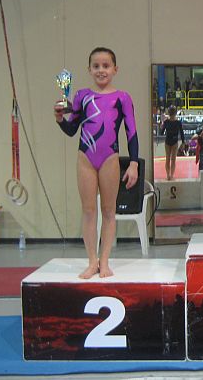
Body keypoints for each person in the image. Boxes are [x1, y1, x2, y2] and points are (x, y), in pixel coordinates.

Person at [54, 47, 138, 279]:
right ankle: (92, 261)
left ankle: (105, 261)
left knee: (109, 211)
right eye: (96, 66)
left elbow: (131, 132)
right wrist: (60, 119)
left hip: (110, 158)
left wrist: (133, 163)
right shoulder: (81, 96)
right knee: (89, 211)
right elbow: (72, 129)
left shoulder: (123, 98)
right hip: (86, 158)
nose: (101, 70)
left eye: (106, 66)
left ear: (115, 69)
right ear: (89, 69)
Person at [160, 105, 185, 180]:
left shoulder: (172, 122)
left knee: (170, 159)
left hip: (171, 141)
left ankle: (170, 175)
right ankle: (169, 175)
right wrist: (183, 142)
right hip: (171, 142)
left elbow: (161, 133)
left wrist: (183, 142)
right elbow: (181, 133)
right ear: (175, 113)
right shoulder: (173, 122)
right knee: (171, 159)